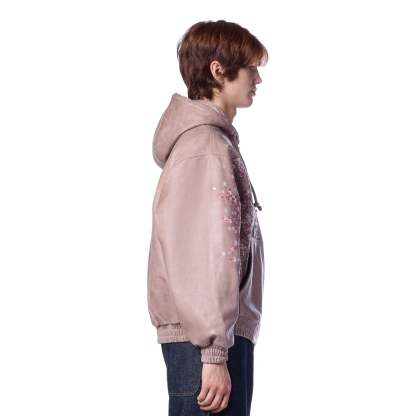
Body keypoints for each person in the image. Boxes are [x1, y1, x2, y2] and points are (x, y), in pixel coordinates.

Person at [147, 19, 268, 415]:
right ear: (219, 70)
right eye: (251, 68)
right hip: (205, 346)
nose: (257, 79)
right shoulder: (205, 147)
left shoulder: (211, 145)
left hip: (212, 340)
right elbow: (201, 255)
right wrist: (214, 353)